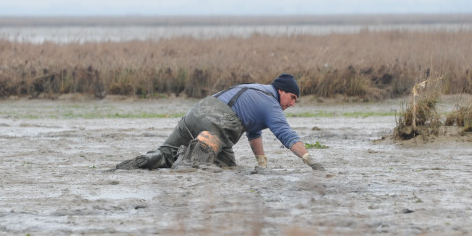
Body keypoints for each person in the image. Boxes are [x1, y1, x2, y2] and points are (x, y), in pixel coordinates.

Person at [116, 73, 325, 171]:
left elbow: (254, 133)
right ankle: (187, 160)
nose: (292, 104)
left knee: (165, 153)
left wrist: (261, 161)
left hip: (195, 113)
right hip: (217, 124)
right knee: (221, 167)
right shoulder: (271, 103)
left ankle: (145, 160)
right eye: (292, 98)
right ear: (281, 91)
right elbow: (286, 134)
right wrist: (309, 160)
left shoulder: (255, 89)